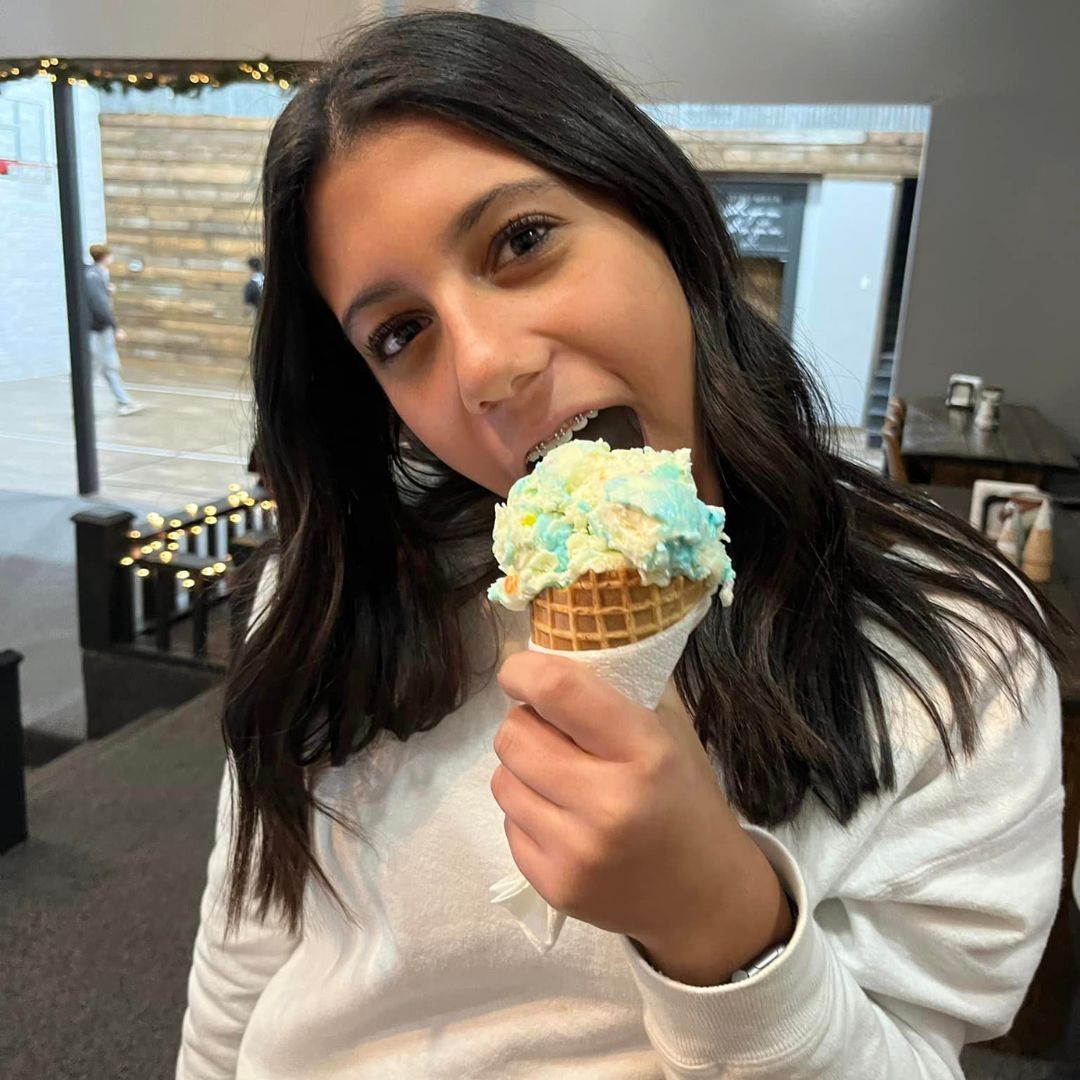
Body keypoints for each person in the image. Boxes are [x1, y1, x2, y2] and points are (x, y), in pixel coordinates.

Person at [176, 13, 1065, 1079]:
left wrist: (717, 920)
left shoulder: (956, 655)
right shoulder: (332, 600)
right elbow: (247, 962)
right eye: (400, 333)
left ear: (663, 220)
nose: (486, 370)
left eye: (520, 241)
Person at [85, 244, 143, 416]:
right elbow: (100, 306)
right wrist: (116, 327)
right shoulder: (93, 276)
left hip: (101, 328)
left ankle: (124, 401)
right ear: (105, 256)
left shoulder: (98, 275)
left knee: (108, 366)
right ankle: (83, 405)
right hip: (98, 330)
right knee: (95, 366)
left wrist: (107, 291)